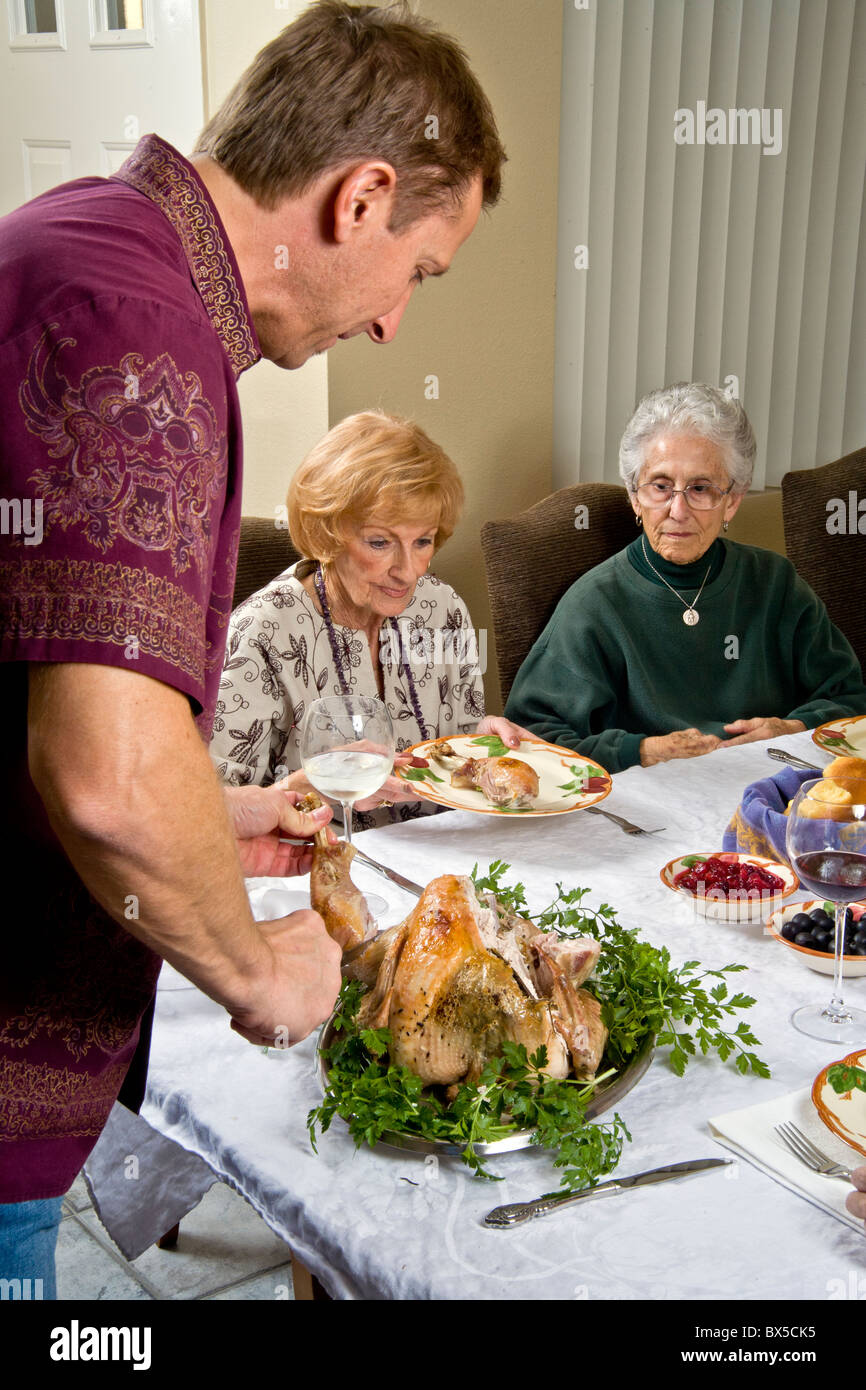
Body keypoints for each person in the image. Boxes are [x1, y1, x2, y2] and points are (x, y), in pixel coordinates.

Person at [0, 0, 504, 1293]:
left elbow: (51, 709)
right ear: (362, 197)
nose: (395, 322)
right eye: (422, 271)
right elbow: (106, 776)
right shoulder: (144, 326)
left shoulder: (82, 248)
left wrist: (213, 813)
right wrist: (255, 967)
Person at [505, 383, 866, 773]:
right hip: (649, 809)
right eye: (660, 486)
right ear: (634, 496)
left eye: (700, 488)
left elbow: (850, 697)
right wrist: (641, 752)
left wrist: (793, 727)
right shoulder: (593, 604)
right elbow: (532, 739)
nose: (678, 510)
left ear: (732, 500)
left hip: (769, 787)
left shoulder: (775, 584)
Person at [211, 411, 527, 825]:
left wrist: (480, 745)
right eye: (380, 542)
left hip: (439, 855)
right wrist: (303, 788)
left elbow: (456, 739)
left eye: (423, 541)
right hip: (311, 864)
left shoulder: (443, 608)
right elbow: (211, 817)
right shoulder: (260, 634)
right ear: (328, 532)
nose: (408, 570)